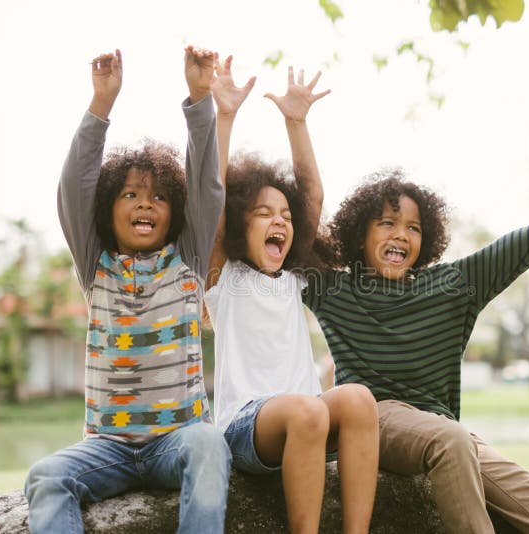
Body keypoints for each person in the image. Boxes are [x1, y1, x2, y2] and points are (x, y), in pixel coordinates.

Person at [302, 170, 529, 534]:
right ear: (360, 233)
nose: (401, 234)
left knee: (523, 489)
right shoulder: (336, 291)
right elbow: (303, 225)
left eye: (413, 228)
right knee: (450, 439)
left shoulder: (452, 286)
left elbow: (516, 248)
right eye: (387, 223)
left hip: (442, 426)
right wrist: (297, 124)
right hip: (373, 419)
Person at [24, 46, 230, 534]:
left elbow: (207, 186)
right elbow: (73, 186)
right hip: (107, 449)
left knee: (209, 443)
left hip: (176, 442)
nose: (145, 204)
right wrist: (101, 105)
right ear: (107, 208)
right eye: (131, 194)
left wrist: (200, 99)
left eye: (159, 196)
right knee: (45, 476)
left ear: (174, 211)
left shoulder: (189, 259)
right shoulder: (96, 264)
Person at [204, 57, 379, 534]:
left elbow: (313, 196)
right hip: (246, 428)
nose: (279, 221)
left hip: (307, 421)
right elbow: (212, 201)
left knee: (360, 399)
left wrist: (296, 123)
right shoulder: (227, 277)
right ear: (241, 224)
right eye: (263, 213)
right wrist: (224, 116)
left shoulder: (293, 277)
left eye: (285, 214)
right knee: (307, 409)